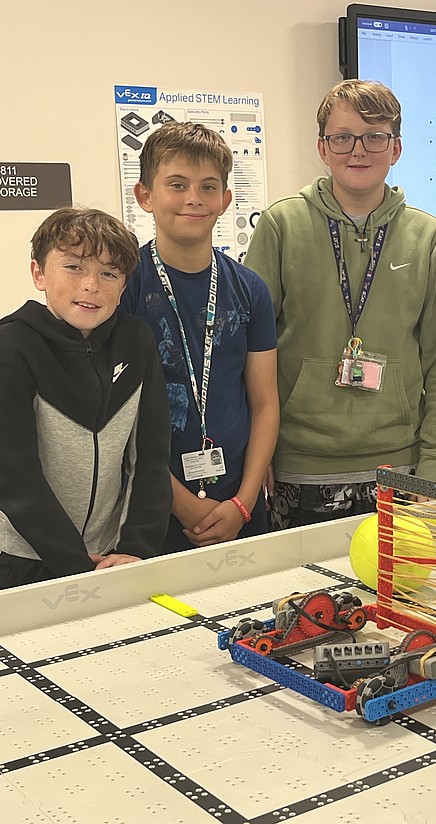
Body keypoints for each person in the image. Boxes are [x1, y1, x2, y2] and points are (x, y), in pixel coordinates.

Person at [244, 79, 436, 528]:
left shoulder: (427, 236)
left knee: (402, 596)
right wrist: (256, 452)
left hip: (402, 469)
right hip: (300, 467)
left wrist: (435, 469)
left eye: (374, 136)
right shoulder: (281, 225)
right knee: (310, 598)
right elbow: (250, 350)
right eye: (343, 137)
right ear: (323, 149)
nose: (357, 150)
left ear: (396, 148)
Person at [0, 207, 172, 590]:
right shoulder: (11, 348)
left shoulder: (137, 341)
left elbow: (150, 456)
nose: (91, 285)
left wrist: (135, 549)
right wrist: (74, 564)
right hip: (27, 558)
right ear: (39, 274)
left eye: (109, 273)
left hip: (112, 555)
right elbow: (11, 478)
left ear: (123, 286)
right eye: (74, 267)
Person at [122, 121, 278, 552]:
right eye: (177, 184)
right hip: (154, 506)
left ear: (226, 200)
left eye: (208, 187)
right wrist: (183, 504)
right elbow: (118, 416)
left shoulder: (250, 290)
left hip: (240, 505)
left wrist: (244, 503)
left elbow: (265, 403)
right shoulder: (124, 288)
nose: (193, 198)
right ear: (145, 196)